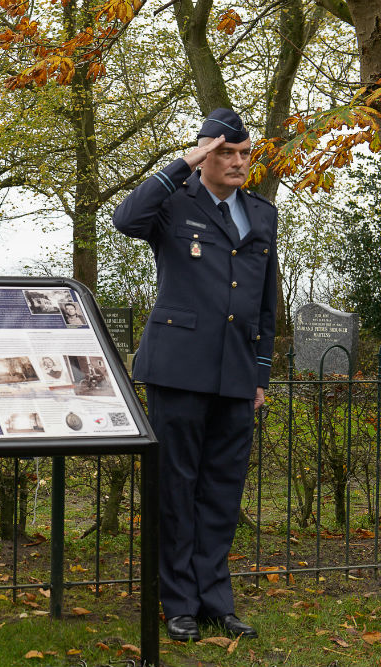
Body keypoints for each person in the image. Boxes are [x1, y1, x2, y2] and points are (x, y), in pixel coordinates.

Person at [113, 108, 277, 643]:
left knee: (222, 492)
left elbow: (263, 301)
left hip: (235, 371)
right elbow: (125, 219)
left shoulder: (262, 213)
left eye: (243, 153)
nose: (235, 162)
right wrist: (179, 164)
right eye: (224, 152)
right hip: (179, 369)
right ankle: (178, 601)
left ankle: (215, 600)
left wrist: (260, 374)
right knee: (176, 488)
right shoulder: (173, 204)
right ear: (204, 155)